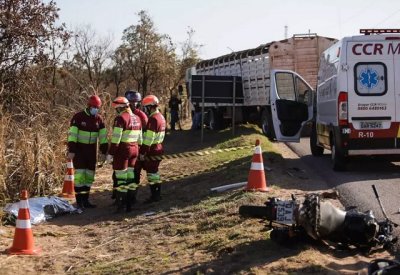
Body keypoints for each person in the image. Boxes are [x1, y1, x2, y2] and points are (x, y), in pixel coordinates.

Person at [67, 95, 108, 210]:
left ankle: (86, 201)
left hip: (91, 151)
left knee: (89, 177)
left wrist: (104, 150)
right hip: (79, 152)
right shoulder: (78, 117)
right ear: (89, 106)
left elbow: (103, 136)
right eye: (94, 107)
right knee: (80, 177)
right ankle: (79, 202)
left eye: (98, 107)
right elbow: (72, 135)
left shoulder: (99, 119)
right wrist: (72, 150)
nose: (96, 109)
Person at [107, 96, 142, 212]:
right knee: (131, 177)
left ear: (120, 108)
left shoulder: (120, 118)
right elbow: (140, 139)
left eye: (116, 108)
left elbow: (116, 139)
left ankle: (121, 205)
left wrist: (111, 153)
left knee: (121, 178)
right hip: (135, 149)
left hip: (123, 150)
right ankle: (130, 204)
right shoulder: (137, 118)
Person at [140, 95, 166, 203]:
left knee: (152, 173)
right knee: (154, 173)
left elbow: (148, 139)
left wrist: (142, 152)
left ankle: (155, 196)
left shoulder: (153, 119)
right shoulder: (161, 116)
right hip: (159, 146)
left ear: (150, 107)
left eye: (145, 107)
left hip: (152, 149)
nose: (145, 110)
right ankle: (156, 195)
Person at [124, 90, 148, 199]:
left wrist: (142, 151)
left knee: (135, 173)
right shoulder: (123, 114)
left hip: (137, 150)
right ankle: (120, 196)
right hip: (124, 150)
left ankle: (132, 197)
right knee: (120, 174)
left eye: (136, 102)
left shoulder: (141, 116)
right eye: (131, 102)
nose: (133, 104)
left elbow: (146, 134)